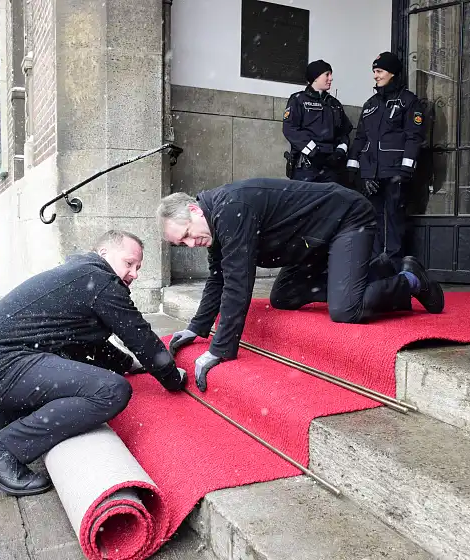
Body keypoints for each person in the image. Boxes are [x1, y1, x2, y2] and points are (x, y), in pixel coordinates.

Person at [157, 180, 444, 392]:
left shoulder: (231, 210)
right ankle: (376, 270)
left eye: (187, 235)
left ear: (194, 210)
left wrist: (219, 349)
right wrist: (197, 327)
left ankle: (411, 279)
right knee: (283, 296)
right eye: (183, 243)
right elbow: (218, 276)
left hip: (345, 219)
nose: (191, 244)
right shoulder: (214, 221)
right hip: (307, 241)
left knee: (346, 309)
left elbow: (237, 284)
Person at [0, 230, 187, 496]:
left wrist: (127, 363)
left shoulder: (81, 274)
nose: (134, 273)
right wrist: (172, 377)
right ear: (104, 254)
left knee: (76, 364)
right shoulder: (100, 281)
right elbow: (141, 337)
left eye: (138, 267)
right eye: (129, 263)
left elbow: (85, 342)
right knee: (111, 391)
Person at [346, 52, 426, 272]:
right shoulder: (370, 104)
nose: (375, 76)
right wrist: (356, 169)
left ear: (392, 73)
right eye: (374, 71)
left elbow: (414, 136)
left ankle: (392, 266)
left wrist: (406, 169)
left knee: (393, 221)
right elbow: (361, 138)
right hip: (371, 173)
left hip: (395, 172)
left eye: (379, 71)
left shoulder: (409, 101)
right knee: (372, 220)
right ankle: (374, 267)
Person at [282, 59, 353, 183]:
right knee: (304, 201)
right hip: (306, 166)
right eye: (327, 74)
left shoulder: (334, 104)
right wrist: (314, 152)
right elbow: (290, 129)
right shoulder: (299, 100)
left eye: (331, 75)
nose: (330, 78)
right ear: (315, 77)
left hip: (331, 167)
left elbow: (344, 133)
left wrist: (339, 152)